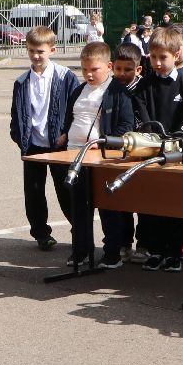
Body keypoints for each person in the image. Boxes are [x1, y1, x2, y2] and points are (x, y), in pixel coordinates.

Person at [133, 27, 183, 271]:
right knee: (152, 205)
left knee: (174, 204)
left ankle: (173, 252)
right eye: (153, 57)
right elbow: (142, 118)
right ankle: (154, 250)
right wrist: (154, 140)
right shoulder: (143, 87)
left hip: (175, 154)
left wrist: (173, 142)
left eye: (163, 57)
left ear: (175, 55)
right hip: (151, 153)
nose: (158, 63)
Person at [62, 42, 135, 269]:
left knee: (107, 207)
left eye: (94, 69)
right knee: (79, 207)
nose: (88, 74)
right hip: (74, 156)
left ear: (109, 66)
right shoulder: (79, 90)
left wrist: (101, 144)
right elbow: (69, 118)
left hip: (101, 159)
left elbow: (126, 126)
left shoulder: (117, 92)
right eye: (84, 70)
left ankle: (112, 252)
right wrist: (63, 135)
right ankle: (81, 250)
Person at [10, 26, 78, 250]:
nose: (36, 56)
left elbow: (77, 109)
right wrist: (21, 138)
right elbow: (16, 113)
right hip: (33, 146)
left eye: (40, 51)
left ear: (52, 50)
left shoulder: (65, 77)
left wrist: (66, 134)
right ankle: (41, 233)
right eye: (31, 51)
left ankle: (79, 229)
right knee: (34, 191)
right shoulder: (22, 82)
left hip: (59, 144)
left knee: (66, 189)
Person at [109, 44, 146, 261]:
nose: (122, 74)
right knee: (121, 200)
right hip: (119, 153)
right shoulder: (111, 88)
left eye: (128, 70)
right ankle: (123, 242)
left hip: (142, 151)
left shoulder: (144, 89)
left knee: (142, 201)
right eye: (119, 69)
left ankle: (144, 244)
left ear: (138, 70)